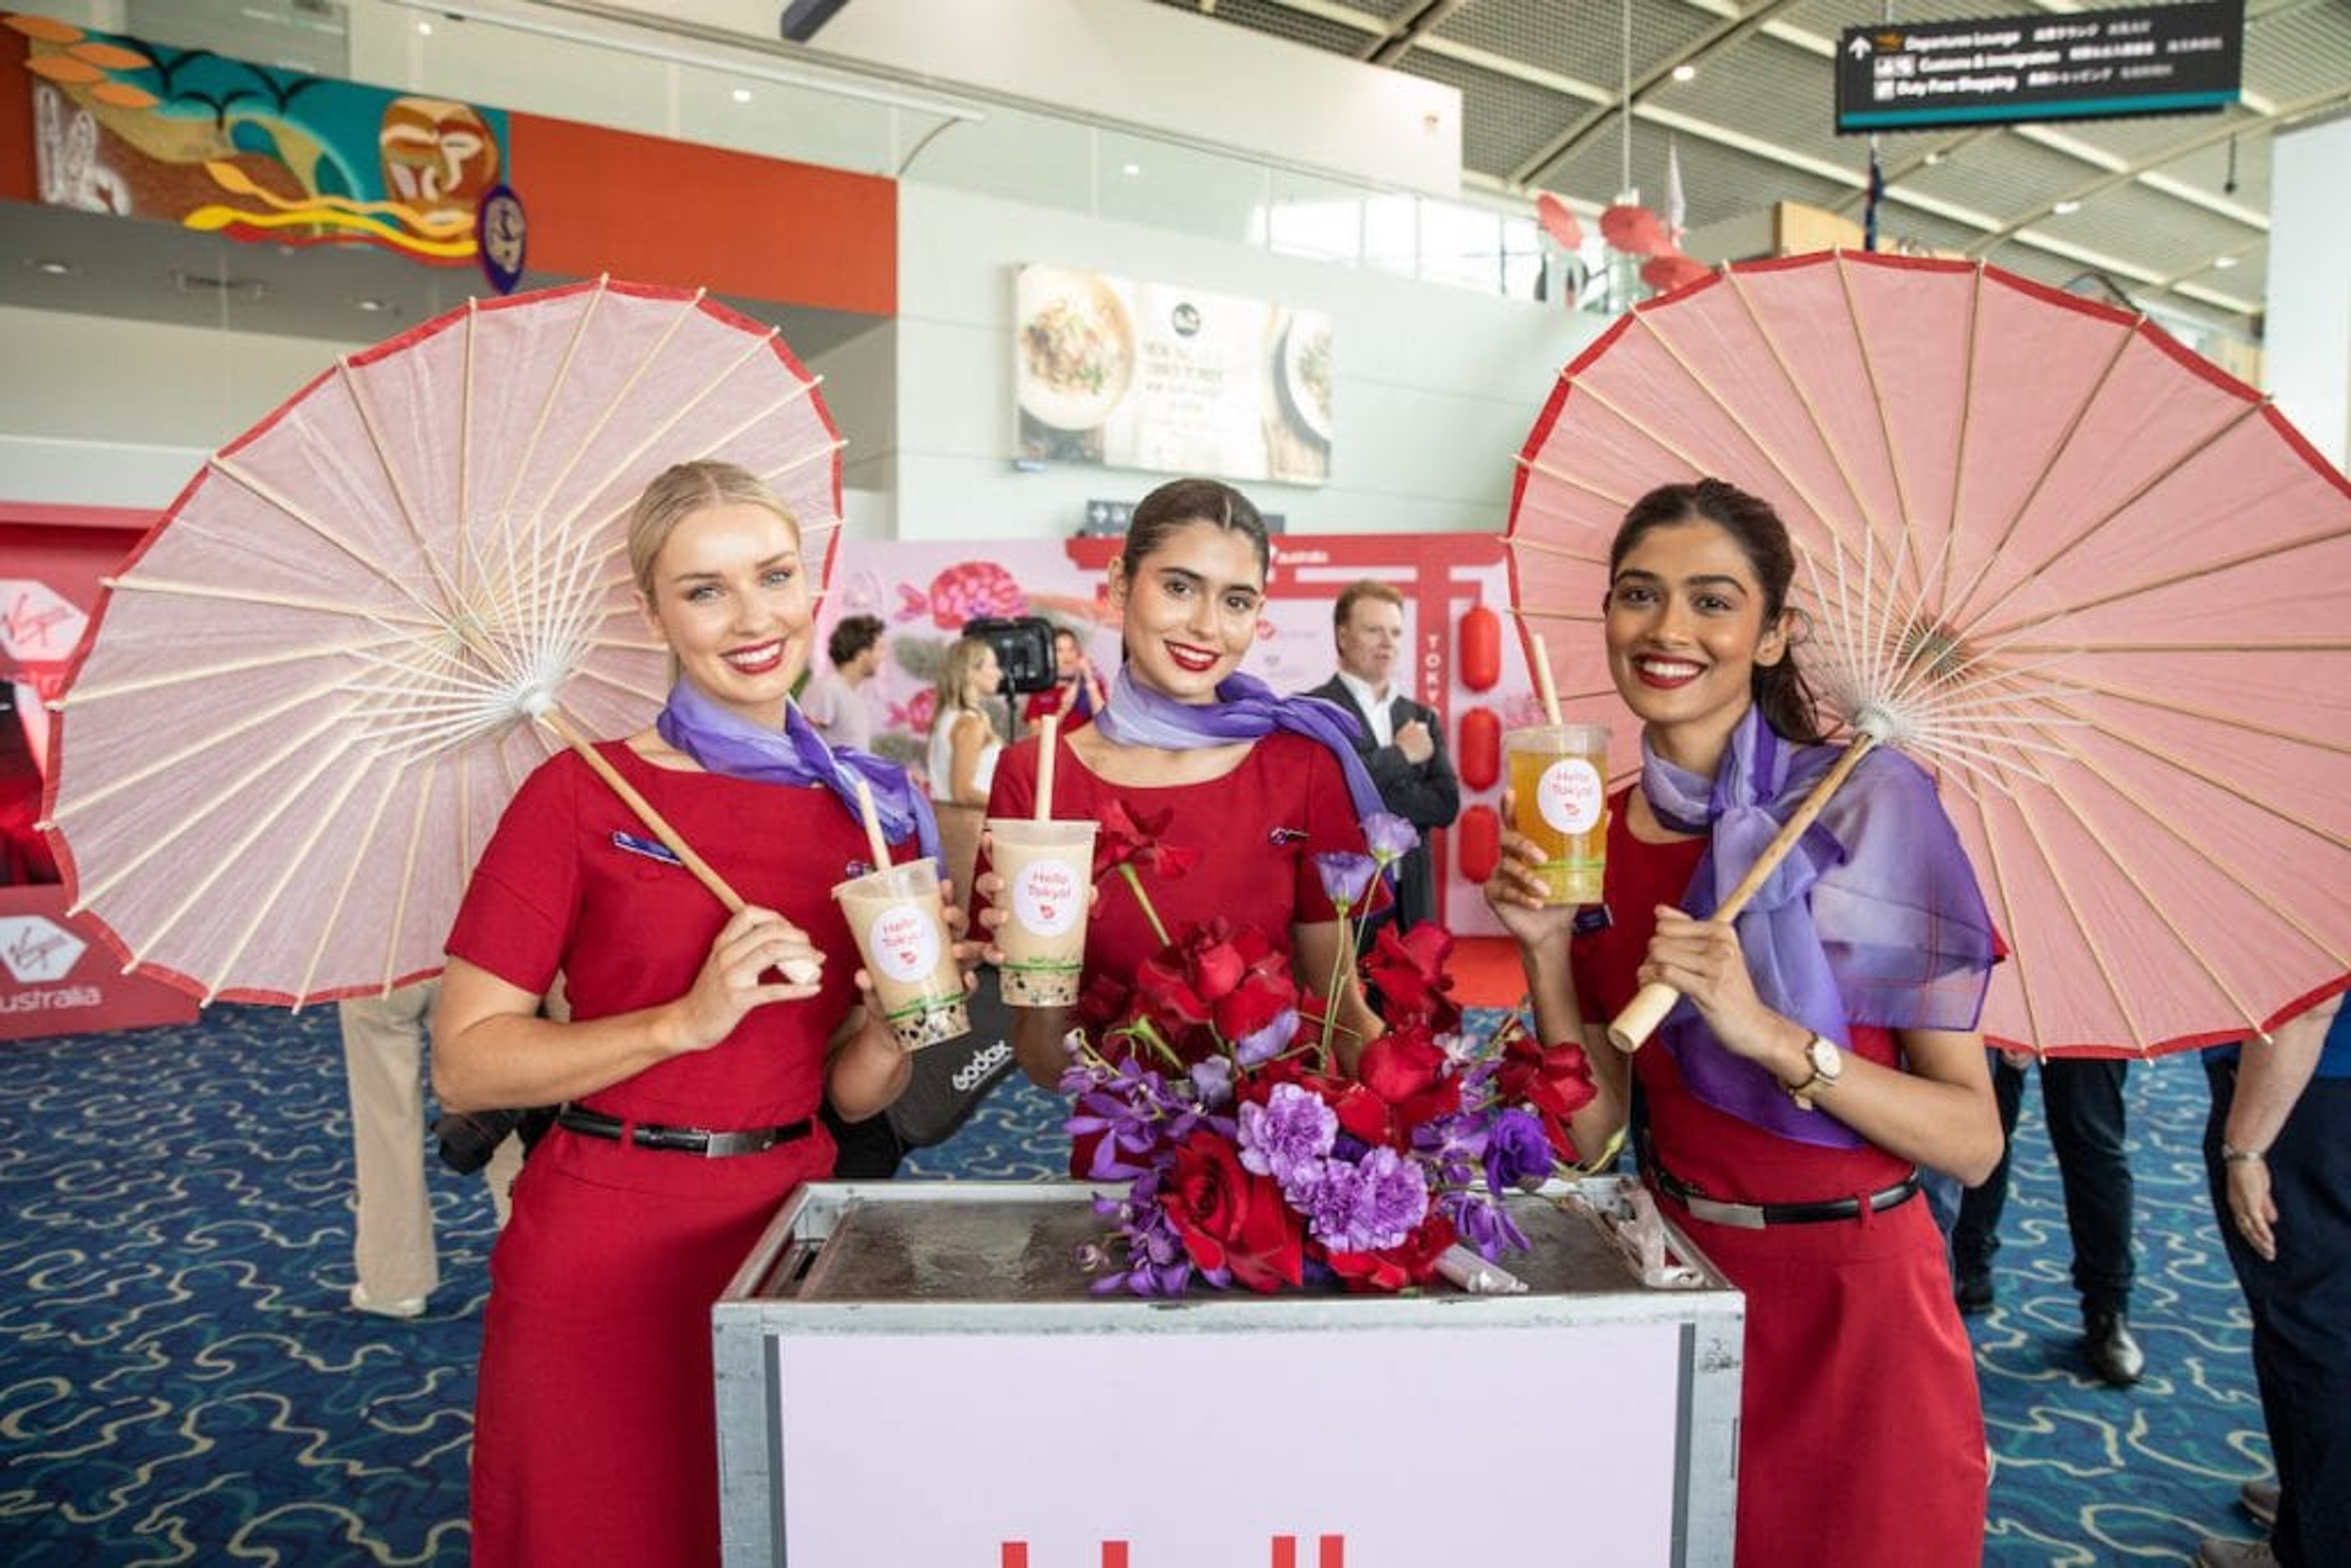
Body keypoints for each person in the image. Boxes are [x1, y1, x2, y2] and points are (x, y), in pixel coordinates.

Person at [430, 459, 952, 1568]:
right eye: (705, 590)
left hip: (792, 1231)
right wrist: (684, 1019)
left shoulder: (874, 810)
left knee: (772, 1537)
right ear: (655, 610)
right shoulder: (577, 791)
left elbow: (852, 1089)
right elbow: (467, 1066)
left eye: (772, 576)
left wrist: (898, 1021)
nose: (752, 618)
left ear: (812, 584)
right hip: (605, 1237)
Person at [1484, 478, 2004, 1568]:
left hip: (1862, 1305)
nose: (1670, 630)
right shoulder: (1589, 826)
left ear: (1775, 635)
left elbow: (1972, 1138)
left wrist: (1774, 1036)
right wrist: (1542, 949)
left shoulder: (1869, 805)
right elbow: (1593, 1136)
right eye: (1640, 594)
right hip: (1681, 1287)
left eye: (1714, 602)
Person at [981, 476, 1388, 1093]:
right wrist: (1031, 971)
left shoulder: (1301, 765)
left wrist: (1428, 1119)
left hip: (1284, 1153)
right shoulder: (1036, 776)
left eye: (1236, 601)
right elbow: (1046, 1064)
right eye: (1179, 587)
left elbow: (1343, 1016)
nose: (1206, 625)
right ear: (1121, 583)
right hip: (1126, 1152)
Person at [2193, 992, 2350, 1568]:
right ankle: (2320, 1498)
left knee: (2312, 1334)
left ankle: (2314, 1543)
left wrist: (2245, 1148)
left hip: (2312, 1087)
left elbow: (2309, 999)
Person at [1951, 1051, 2144, 1386]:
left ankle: (2108, 1308)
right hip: (1989, 1006)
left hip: (2081, 1008)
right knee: (1979, 1129)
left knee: (2092, 1137)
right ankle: (1968, 1267)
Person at [339, 979, 522, 1318]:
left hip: (381, 954)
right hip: (472, 953)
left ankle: (394, 1283)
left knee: (384, 1118)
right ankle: (531, 1253)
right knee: (503, 1102)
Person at [1301, 579, 1460, 936]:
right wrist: (1402, 756)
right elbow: (1329, 797)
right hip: (1346, 900)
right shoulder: (1313, 710)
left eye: (1396, 632)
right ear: (1342, 636)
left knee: (1414, 992)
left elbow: (1445, 805)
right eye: (1374, 630)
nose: (1388, 642)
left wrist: (1366, 786)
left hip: (1413, 897)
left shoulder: (1422, 717)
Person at [928, 634, 1006, 812]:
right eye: (993, 666)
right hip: (968, 830)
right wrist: (1012, 805)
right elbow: (963, 793)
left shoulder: (946, 717)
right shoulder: (970, 723)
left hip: (951, 826)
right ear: (971, 672)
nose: (1000, 674)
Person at [799, 612, 885, 751]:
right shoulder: (826, 689)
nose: (883, 657)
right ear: (862, 653)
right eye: (879, 649)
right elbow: (802, 746)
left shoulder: (855, 698)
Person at [1023, 625, 1106, 731]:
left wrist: (1089, 678)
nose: (1067, 656)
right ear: (1049, 656)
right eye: (1059, 650)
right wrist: (1064, 709)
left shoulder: (1093, 686)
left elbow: (1105, 724)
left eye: (1072, 649)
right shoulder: (1040, 690)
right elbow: (1037, 736)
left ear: (1079, 653)